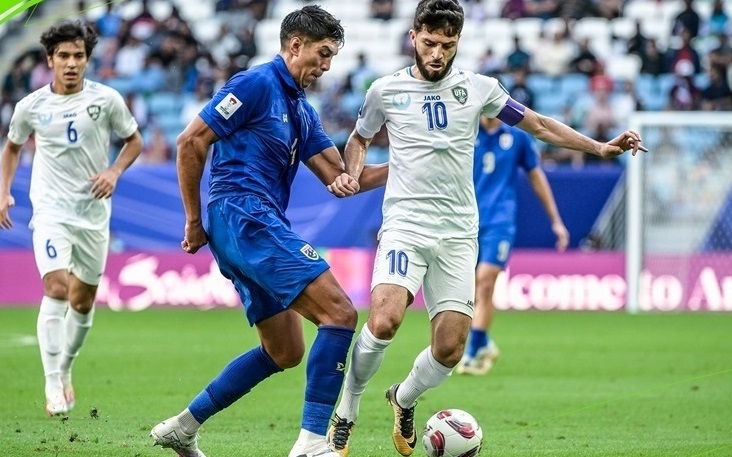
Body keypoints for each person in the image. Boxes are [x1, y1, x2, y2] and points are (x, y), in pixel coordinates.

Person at [324, 1, 646, 456]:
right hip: (405, 226)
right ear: (414, 37)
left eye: (448, 45)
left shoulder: (479, 89)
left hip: (458, 234)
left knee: (451, 350)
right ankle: (347, 409)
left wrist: (597, 146)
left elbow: (536, 123)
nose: (438, 53)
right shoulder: (385, 90)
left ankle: (404, 397)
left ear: (458, 43)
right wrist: (353, 171)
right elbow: (359, 137)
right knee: (385, 319)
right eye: (430, 43)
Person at [149, 6, 387, 457]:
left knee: (284, 350)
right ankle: (314, 442)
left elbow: (340, 178)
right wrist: (194, 220)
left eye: (332, 56)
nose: (327, 65)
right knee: (339, 312)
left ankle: (183, 426)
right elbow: (190, 141)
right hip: (243, 214)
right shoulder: (256, 84)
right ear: (295, 44)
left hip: (253, 223)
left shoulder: (300, 108)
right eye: (322, 53)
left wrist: (409, 165)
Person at [0, 20, 143, 416]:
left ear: (87, 60)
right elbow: (11, 148)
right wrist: (3, 190)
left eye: (78, 55)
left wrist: (113, 172)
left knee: (82, 300)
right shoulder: (31, 106)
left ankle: (64, 369)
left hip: (93, 214)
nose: (71, 62)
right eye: (63, 55)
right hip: (50, 211)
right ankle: (50, 382)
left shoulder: (107, 100)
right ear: (50, 60)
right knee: (57, 287)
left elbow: (134, 141)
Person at [456, 116, 569, 376]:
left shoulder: (517, 137)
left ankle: (472, 353)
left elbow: (536, 177)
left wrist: (556, 221)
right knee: (466, 288)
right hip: (465, 220)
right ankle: (484, 342)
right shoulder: (464, 129)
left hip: (499, 221)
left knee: (485, 281)